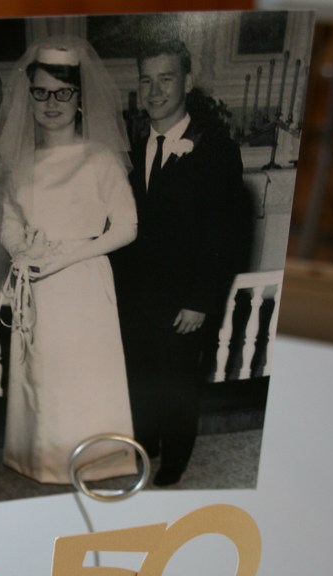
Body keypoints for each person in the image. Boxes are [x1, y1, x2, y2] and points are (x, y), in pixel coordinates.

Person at [0, 38, 137, 484]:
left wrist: (67, 254)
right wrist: (23, 251)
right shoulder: (20, 165)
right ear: (28, 95)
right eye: (41, 92)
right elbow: (9, 223)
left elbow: (127, 227)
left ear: (79, 98)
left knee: (86, 372)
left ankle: (99, 460)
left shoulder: (100, 159)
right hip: (38, 286)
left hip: (84, 284)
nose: (51, 103)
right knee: (44, 376)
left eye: (63, 92)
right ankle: (45, 461)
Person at [115, 38, 248, 487]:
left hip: (184, 301)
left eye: (166, 79)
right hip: (137, 298)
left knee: (177, 386)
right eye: (146, 80)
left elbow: (224, 237)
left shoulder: (216, 152)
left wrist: (200, 301)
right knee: (142, 380)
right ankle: (146, 443)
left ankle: (174, 460)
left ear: (187, 82)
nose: (154, 91)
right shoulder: (133, 149)